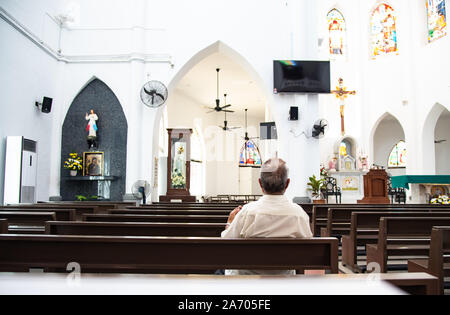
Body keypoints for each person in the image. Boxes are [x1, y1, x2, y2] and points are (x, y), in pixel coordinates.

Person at [221, 158, 313, 275]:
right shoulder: (299, 214)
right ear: (287, 183)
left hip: (247, 280)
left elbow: (226, 244)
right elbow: (308, 248)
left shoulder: (248, 212)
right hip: (284, 279)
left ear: (260, 183)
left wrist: (229, 223)